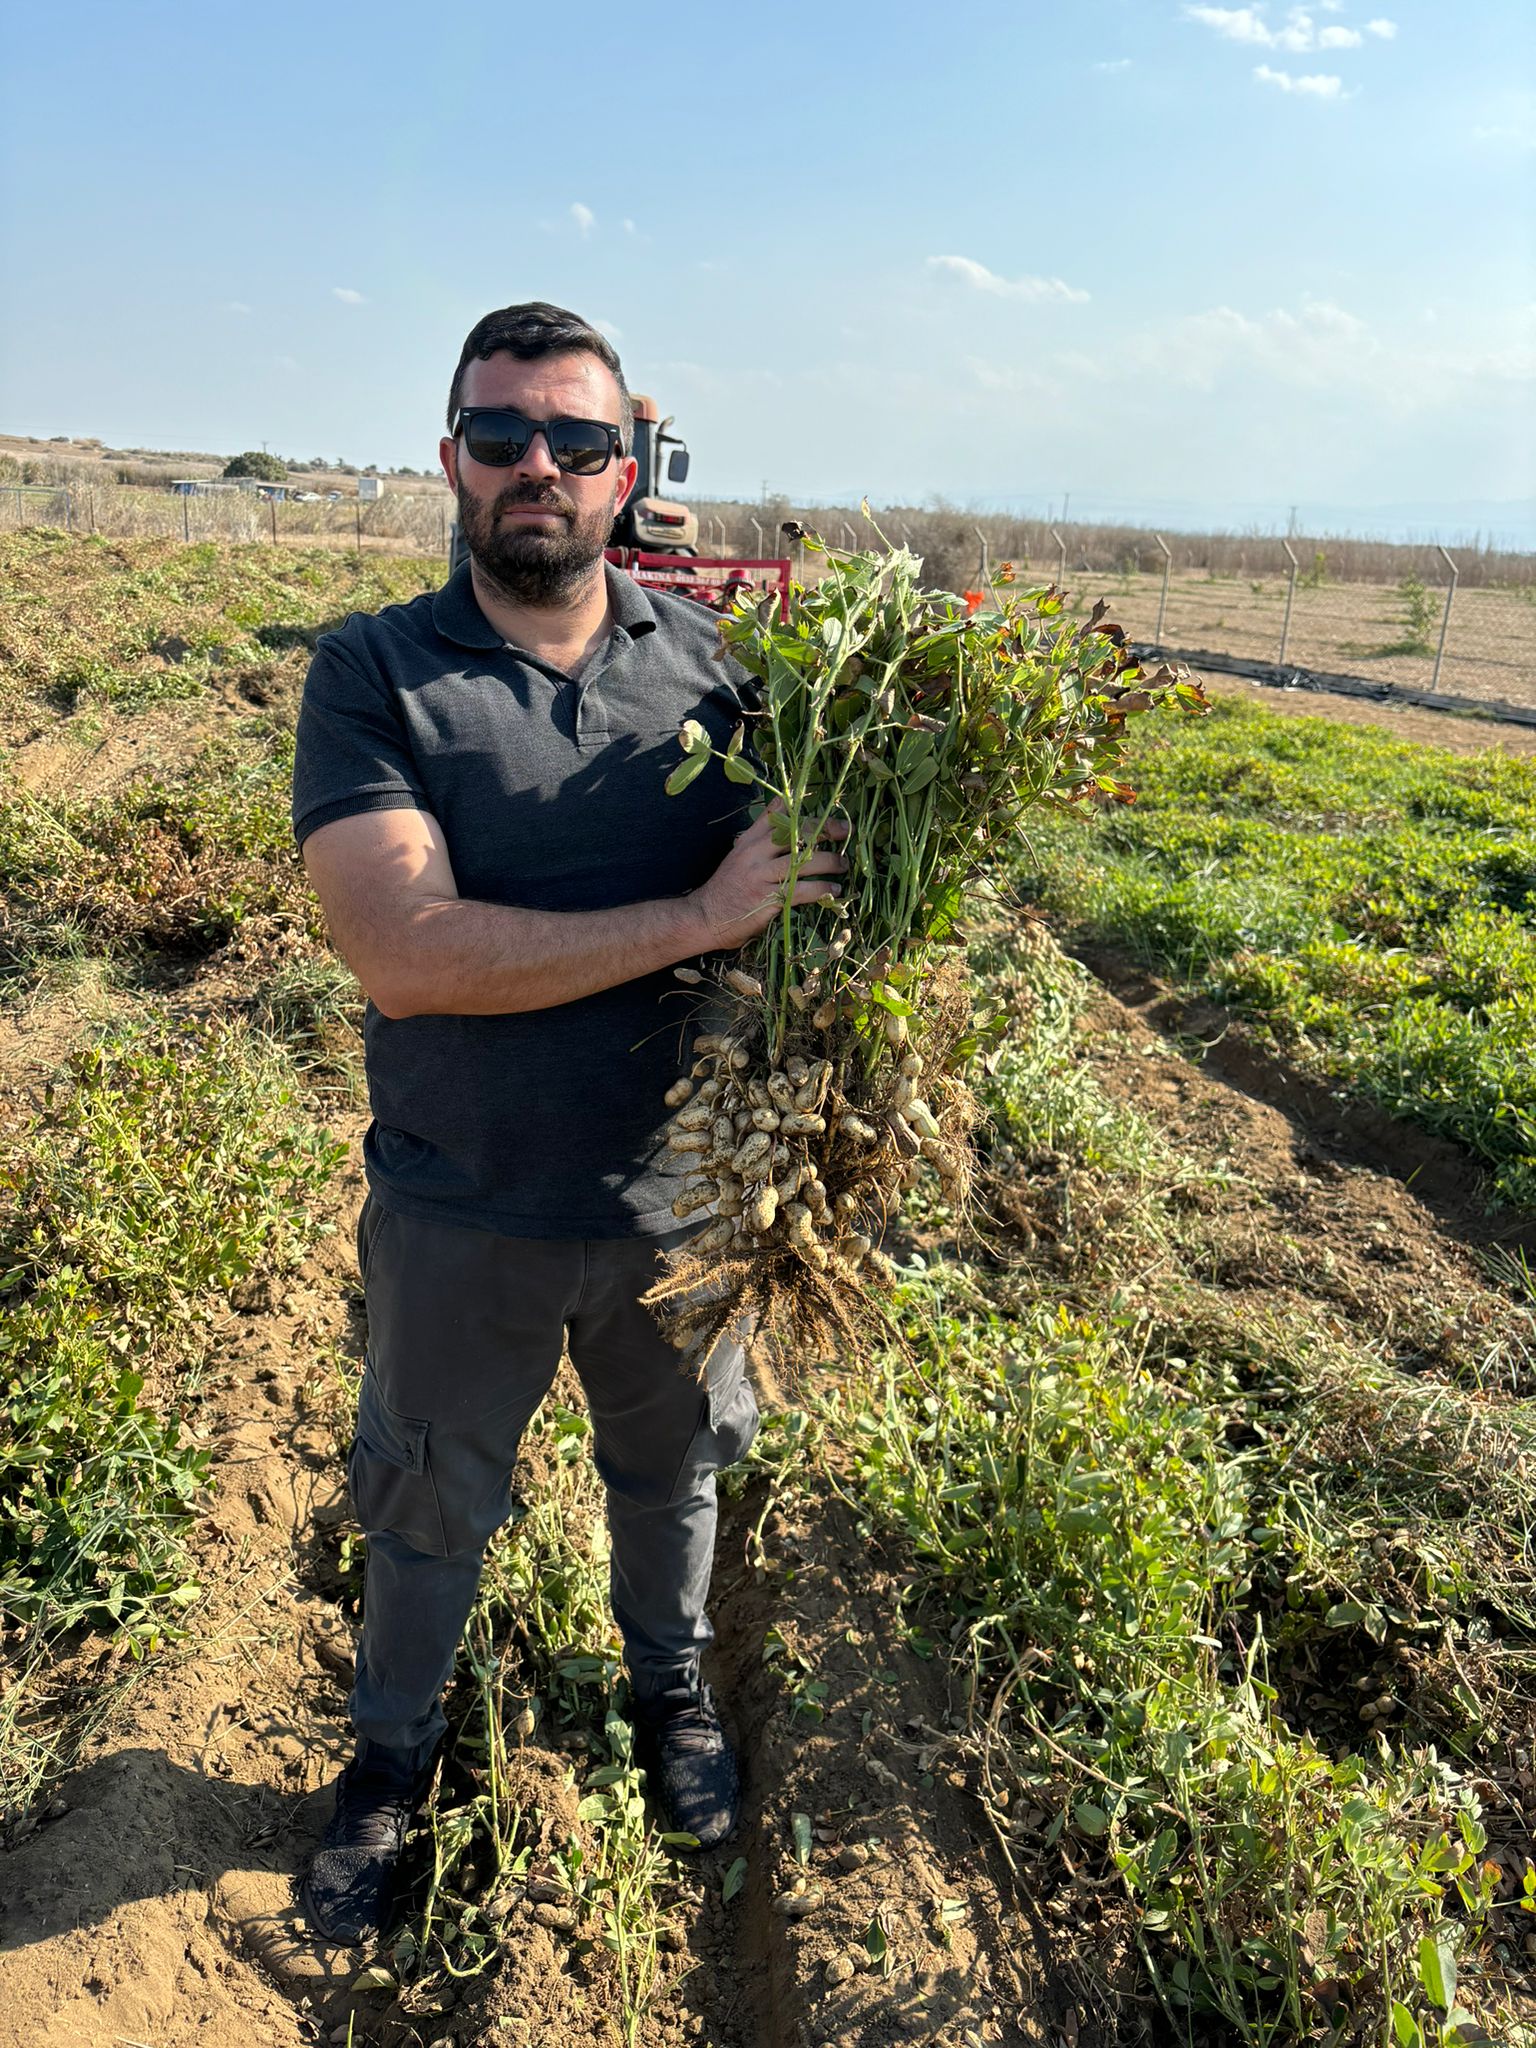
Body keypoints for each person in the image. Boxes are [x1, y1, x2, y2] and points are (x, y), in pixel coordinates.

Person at [288, 301, 847, 1946]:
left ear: (627, 468)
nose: (541, 466)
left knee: (673, 1478)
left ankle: (671, 1696)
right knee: (427, 1497)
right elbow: (404, 952)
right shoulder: (376, 671)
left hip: (685, 1203)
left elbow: (817, 896)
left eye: (578, 440)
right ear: (449, 455)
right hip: (464, 1205)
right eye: (505, 434)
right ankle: (391, 1757)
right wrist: (700, 915)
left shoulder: (721, 669)